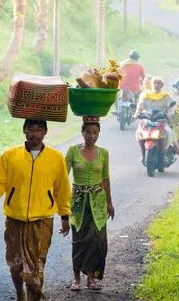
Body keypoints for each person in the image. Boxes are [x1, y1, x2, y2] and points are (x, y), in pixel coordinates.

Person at [0, 119, 72, 301]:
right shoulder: (9, 156)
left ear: (45, 132)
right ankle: (19, 292)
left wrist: (64, 215)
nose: (34, 134)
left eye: (39, 130)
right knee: (15, 265)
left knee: (36, 268)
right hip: (15, 219)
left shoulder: (55, 158)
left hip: (42, 220)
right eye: (30, 129)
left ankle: (33, 298)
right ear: (24, 130)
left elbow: (62, 188)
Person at [65, 116, 114, 291]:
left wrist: (109, 202)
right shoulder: (72, 151)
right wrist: (62, 205)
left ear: (99, 133)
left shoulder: (104, 153)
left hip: (98, 203)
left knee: (97, 241)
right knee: (79, 240)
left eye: (95, 132)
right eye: (88, 132)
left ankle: (92, 278)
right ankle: (77, 278)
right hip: (78, 203)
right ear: (82, 132)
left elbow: (105, 178)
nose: (91, 136)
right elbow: (63, 178)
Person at [134, 76, 174, 165]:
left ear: (162, 85)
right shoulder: (145, 94)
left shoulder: (165, 96)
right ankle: (143, 154)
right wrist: (136, 113)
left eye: (159, 83)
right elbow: (140, 106)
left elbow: (170, 107)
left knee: (169, 132)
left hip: (161, 120)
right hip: (147, 120)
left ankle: (164, 152)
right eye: (155, 82)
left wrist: (170, 113)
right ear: (152, 84)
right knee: (138, 132)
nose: (157, 85)